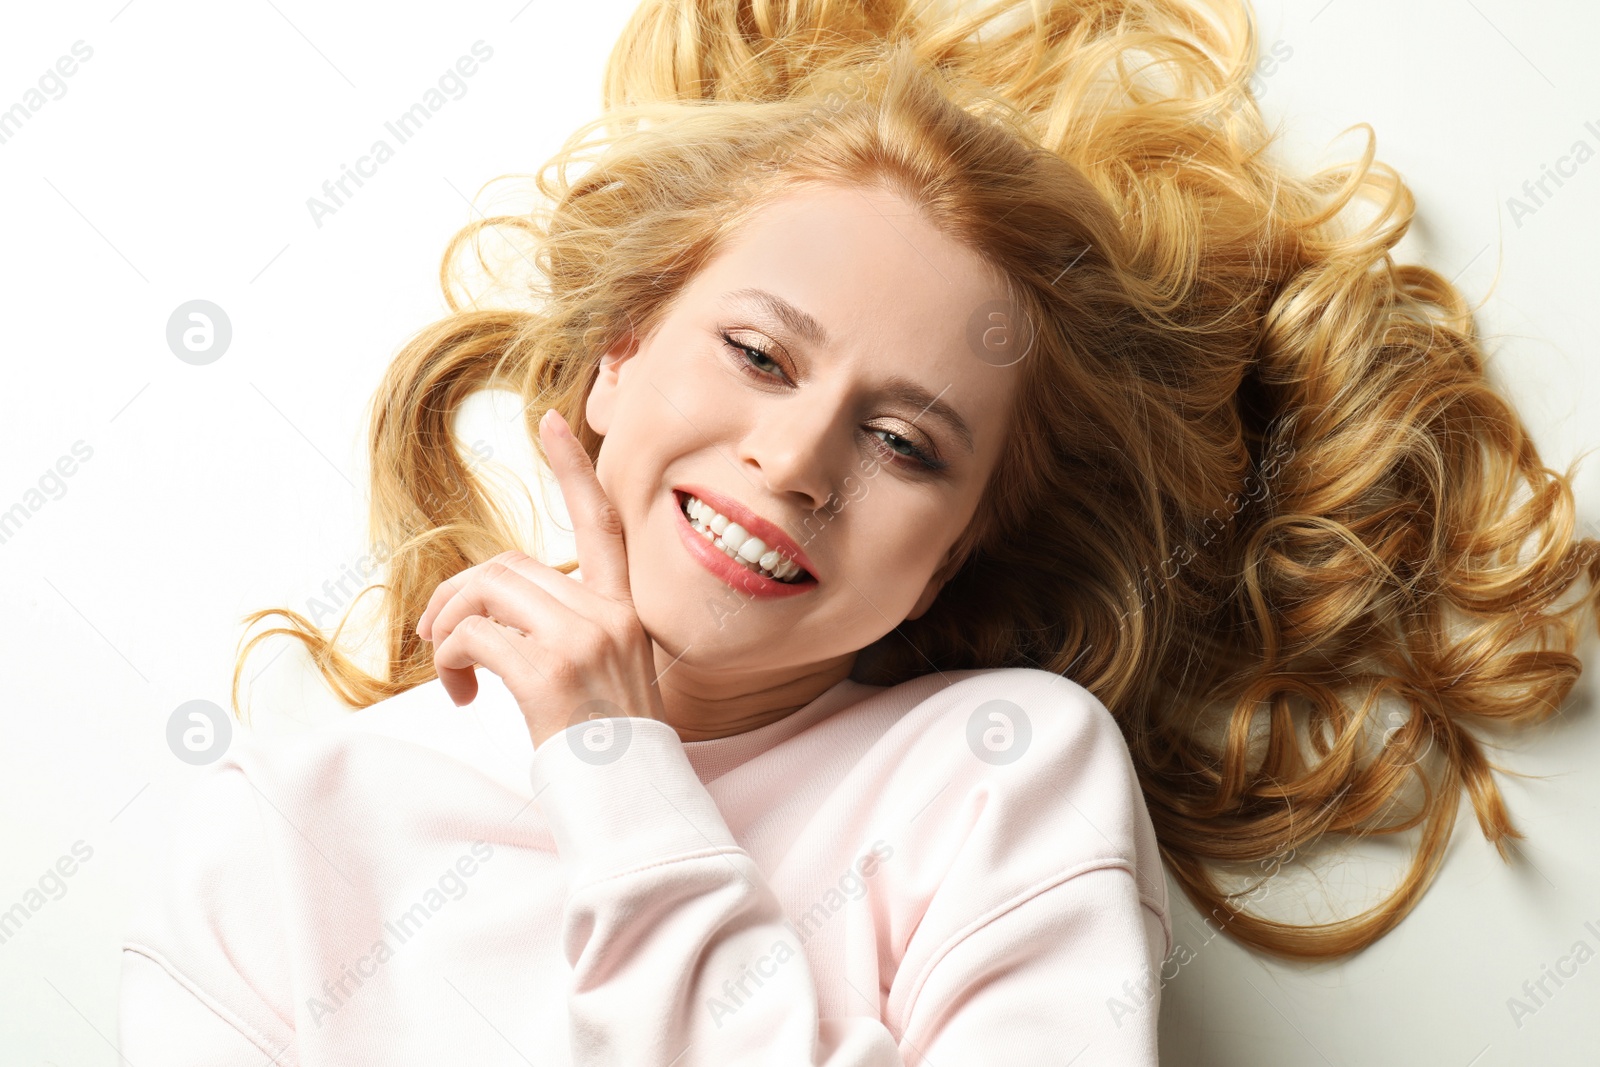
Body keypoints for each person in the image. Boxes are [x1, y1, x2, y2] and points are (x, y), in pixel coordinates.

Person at [119, 0, 1600, 1062]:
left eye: (907, 444)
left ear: (952, 549)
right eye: (760, 356)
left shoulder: (1002, 774)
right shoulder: (285, 824)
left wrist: (619, 783)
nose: (796, 460)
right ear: (615, 359)